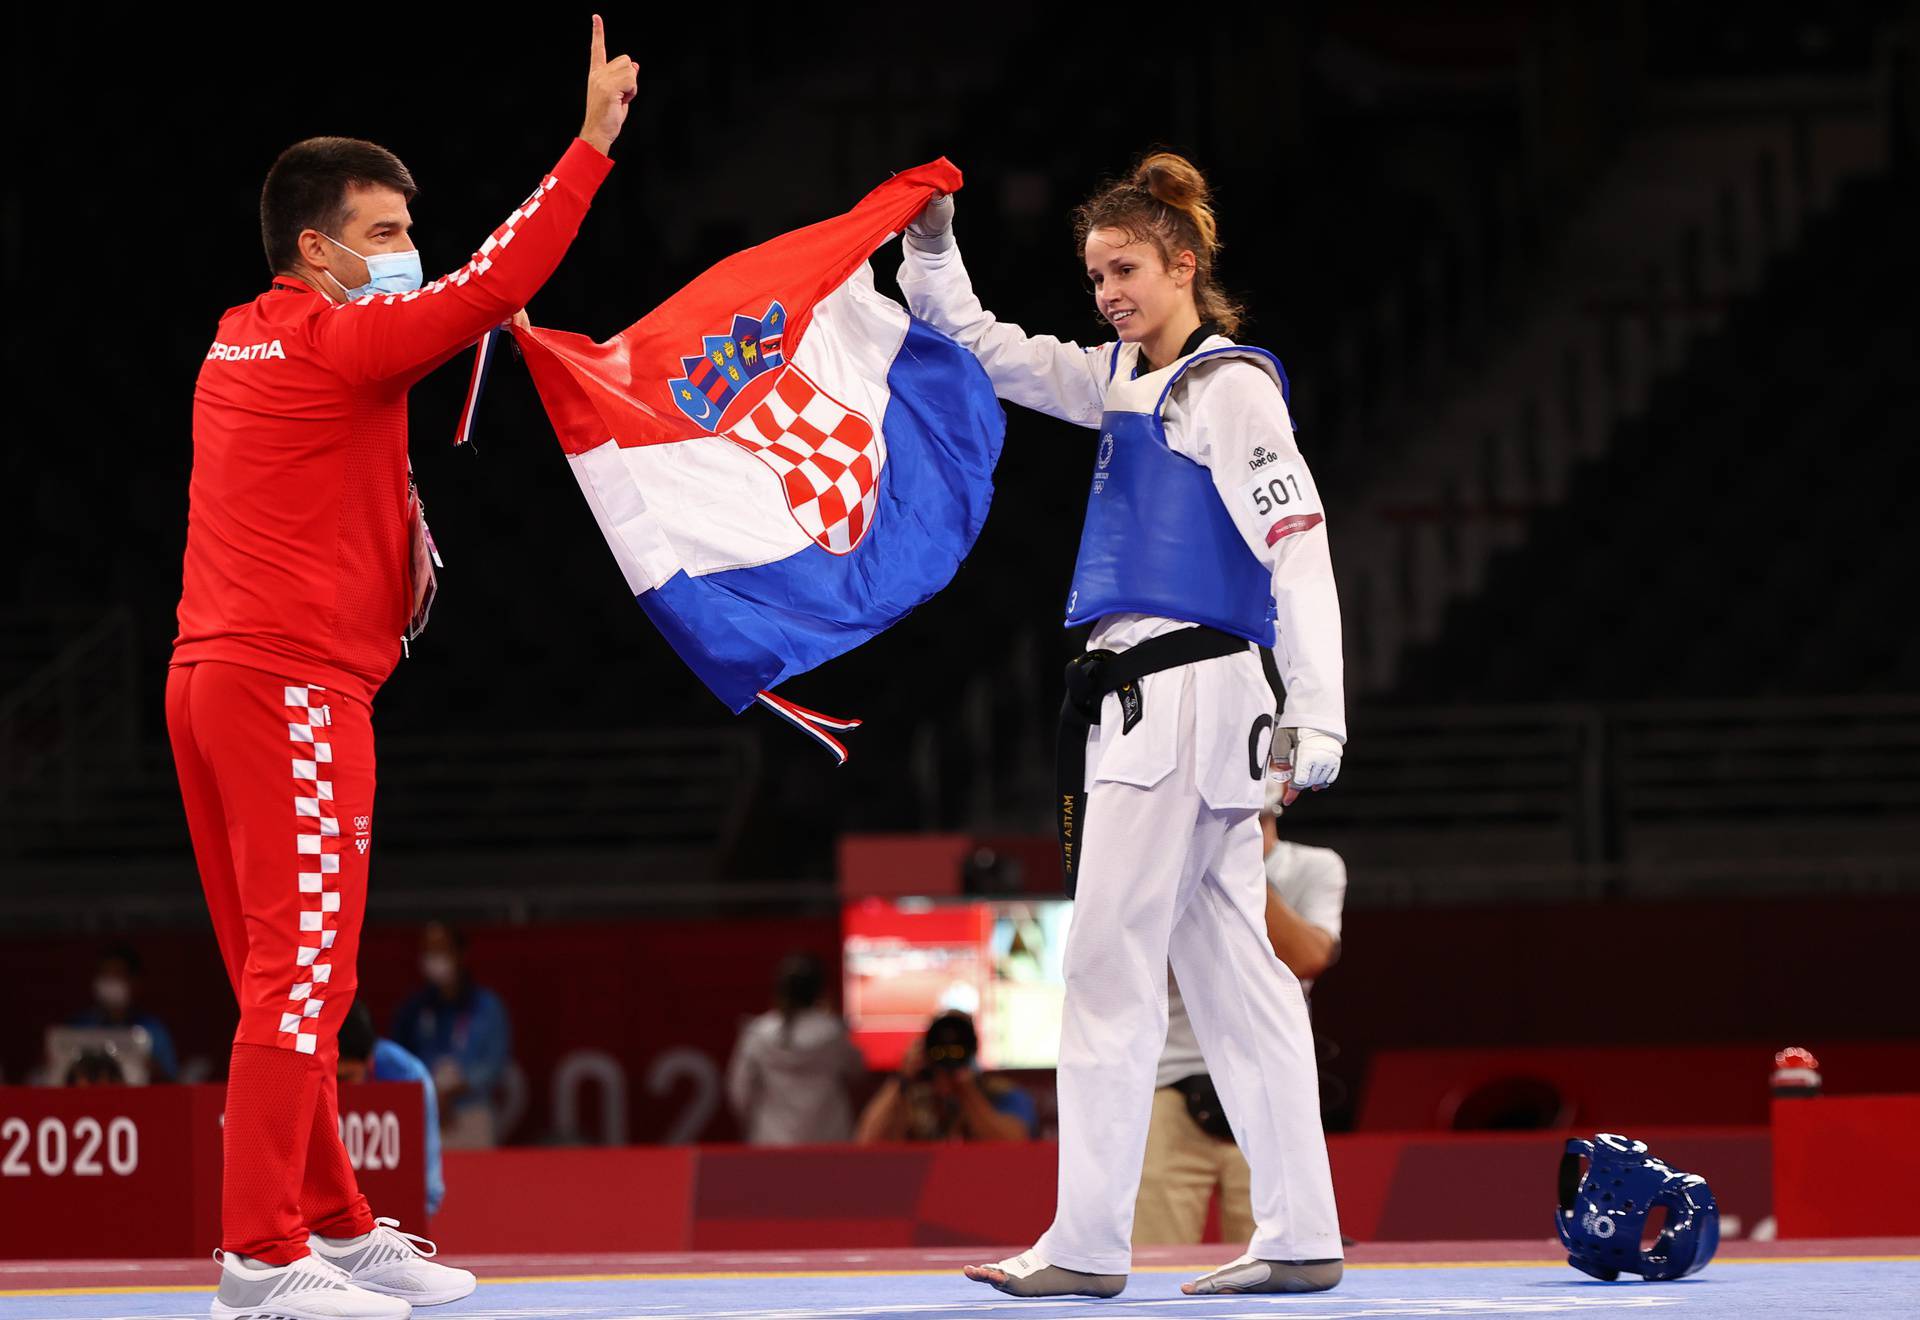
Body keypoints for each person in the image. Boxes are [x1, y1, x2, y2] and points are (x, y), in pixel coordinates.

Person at [164, 19, 635, 1320]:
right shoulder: (330, 341)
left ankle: (332, 1221)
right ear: (313, 249)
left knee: (294, 971)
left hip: (212, 680)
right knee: (299, 976)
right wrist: (588, 149)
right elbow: (486, 284)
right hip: (292, 688)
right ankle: (260, 1254)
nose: (400, 252)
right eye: (380, 234)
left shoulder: (236, 338)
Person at [898, 154, 1347, 1299]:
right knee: (1239, 980)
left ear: (1183, 266)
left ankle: (1089, 1245)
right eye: (1096, 273)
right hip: (1171, 701)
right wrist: (933, 243)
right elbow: (983, 346)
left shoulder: (1227, 387)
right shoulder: (1115, 381)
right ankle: (1300, 1234)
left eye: (1128, 270)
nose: (1108, 292)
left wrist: (1322, 705)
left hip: (1182, 696)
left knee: (1105, 967)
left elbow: (1297, 544)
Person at [1134, 779, 1348, 1245]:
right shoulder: (1163, 867)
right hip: (1166, 1090)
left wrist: (1239, 869)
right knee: (1150, 1259)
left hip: (1268, 1086)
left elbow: (1310, 957)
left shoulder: (1315, 866)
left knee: (1280, 1262)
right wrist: (1200, 861)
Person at [389, 923, 512, 1149]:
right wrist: (430, 1092)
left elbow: (495, 1063)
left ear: (460, 953)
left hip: (471, 1113)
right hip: (424, 1112)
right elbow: (397, 1059)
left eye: (441, 949)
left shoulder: (486, 1007)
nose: (435, 959)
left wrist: (455, 1090)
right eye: (428, 951)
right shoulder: (413, 1010)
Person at [726, 953, 865, 1145]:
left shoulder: (757, 1033)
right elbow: (858, 1071)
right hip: (829, 1143)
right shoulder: (833, 1033)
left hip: (771, 1144)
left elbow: (740, 1094)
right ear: (819, 991)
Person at [854, 1011, 1038, 1143]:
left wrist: (966, 1089)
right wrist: (902, 1078)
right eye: (941, 1044)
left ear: (973, 1048)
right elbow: (867, 1141)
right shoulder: (910, 1096)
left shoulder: (1001, 1093)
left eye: (959, 1045)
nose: (949, 1051)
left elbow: (1015, 1143)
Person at [338, 1002, 445, 1219]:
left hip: (389, 1221)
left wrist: (411, 1219)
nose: (341, 1088)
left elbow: (430, 1186)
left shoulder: (409, 1076)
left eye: (347, 1078)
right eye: (334, 1078)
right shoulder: (307, 1070)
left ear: (369, 1061)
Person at [68, 944, 179, 1082]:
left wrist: (154, 1070)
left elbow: (173, 1084)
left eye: (117, 974)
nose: (110, 982)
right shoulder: (80, 1027)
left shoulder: (154, 1031)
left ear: (135, 982)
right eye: (105, 974)